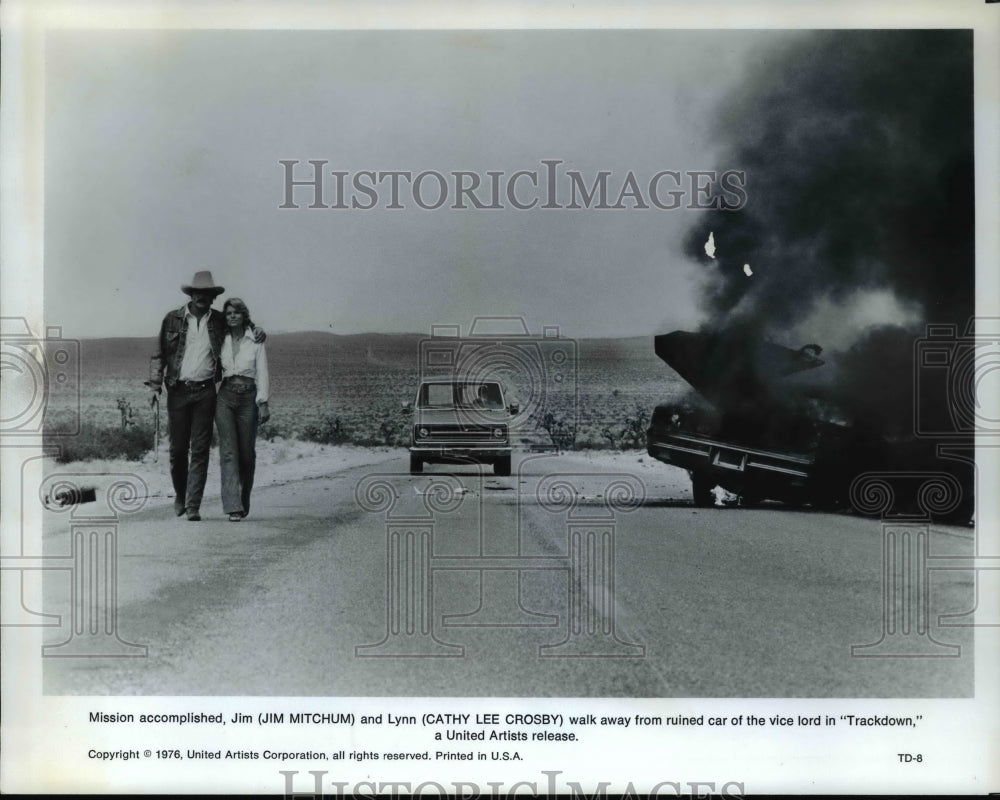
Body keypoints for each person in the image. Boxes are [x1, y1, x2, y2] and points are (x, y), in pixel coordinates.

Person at [147, 271, 265, 521]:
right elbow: (159, 354)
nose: (202, 297)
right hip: (177, 391)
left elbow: (242, 325)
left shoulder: (220, 320)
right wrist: (154, 386)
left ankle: (192, 506)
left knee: (200, 450)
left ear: (213, 298)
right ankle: (180, 494)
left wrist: (258, 330)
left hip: (205, 393)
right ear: (191, 294)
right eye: (198, 292)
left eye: (208, 294)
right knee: (178, 450)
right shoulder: (172, 319)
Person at [215, 297, 270, 521]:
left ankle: (243, 498)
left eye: (236, 312)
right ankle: (232, 506)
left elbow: (263, 371)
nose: (232, 316)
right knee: (228, 453)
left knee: (247, 455)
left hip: (248, 398)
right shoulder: (220, 338)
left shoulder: (255, 339)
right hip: (225, 397)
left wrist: (263, 402)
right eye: (228, 313)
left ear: (244, 314)